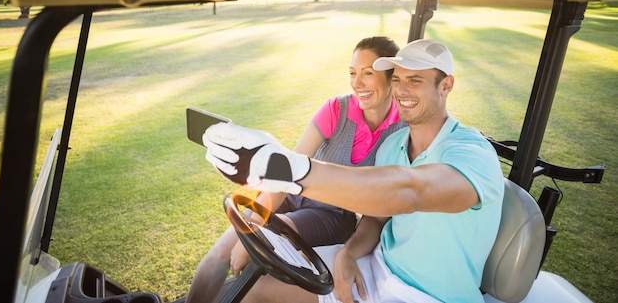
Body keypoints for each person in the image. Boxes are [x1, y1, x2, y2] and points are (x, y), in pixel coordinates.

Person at [202, 39, 505, 303]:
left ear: (446, 85)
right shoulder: (394, 145)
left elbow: (412, 191)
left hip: (429, 295)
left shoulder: (471, 152)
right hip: (376, 269)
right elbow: (375, 218)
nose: (402, 90)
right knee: (255, 292)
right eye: (398, 80)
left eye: (415, 81)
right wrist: (349, 253)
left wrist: (293, 170)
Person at [186, 36, 405, 303]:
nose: (357, 83)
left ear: (391, 78)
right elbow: (285, 173)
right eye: (352, 73)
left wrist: (255, 234)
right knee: (221, 251)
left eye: (367, 73)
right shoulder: (336, 108)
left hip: (331, 214)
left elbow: (381, 207)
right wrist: (253, 225)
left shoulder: (401, 132)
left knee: (260, 243)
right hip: (290, 193)